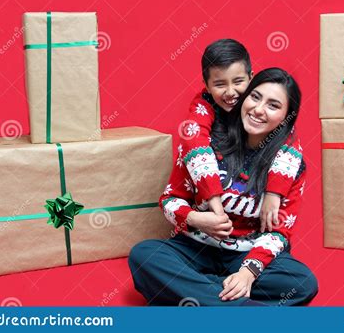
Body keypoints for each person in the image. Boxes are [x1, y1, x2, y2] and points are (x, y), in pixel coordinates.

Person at [129, 68, 318, 306]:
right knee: (144, 256)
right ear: (244, 97)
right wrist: (196, 219)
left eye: (273, 105)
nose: (258, 110)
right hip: (195, 247)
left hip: (246, 254)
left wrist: (248, 272)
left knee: (302, 283)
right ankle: (240, 309)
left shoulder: (290, 165)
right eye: (255, 97)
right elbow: (169, 200)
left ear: (286, 116)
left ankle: (200, 294)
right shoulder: (204, 144)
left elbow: (280, 233)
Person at [181, 39, 297, 231]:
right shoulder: (203, 106)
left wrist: (275, 192)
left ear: (251, 77)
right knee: (145, 251)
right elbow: (194, 141)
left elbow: (289, 139)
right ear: (207, 86)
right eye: (219, 84)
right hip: (213, 218)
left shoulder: (260, 109)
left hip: (251, 228)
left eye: (238, 81)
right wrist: (216, 205)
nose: (230, 92)